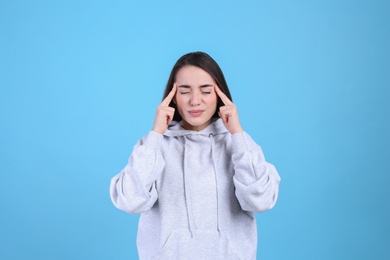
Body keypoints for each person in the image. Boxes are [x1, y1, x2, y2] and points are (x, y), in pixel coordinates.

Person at [110, 51, 281, 260]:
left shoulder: (238, 145)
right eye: (184, 91)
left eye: (206, 91)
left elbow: (260, 201)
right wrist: (155, 134)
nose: (195, 100)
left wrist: (237, 134)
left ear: (220, 94)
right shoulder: (154, 146)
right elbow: (130, 201)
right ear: (172, 97)